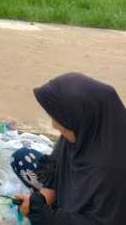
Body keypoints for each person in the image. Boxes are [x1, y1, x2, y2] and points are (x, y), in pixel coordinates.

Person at [13, 73, 126, 225]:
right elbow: (55, 170)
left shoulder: (113, 169)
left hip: (103, 216)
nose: (54, 125)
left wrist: (46, 216)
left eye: (60, 122)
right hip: (79, 195)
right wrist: (40, 200)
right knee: (22, 158)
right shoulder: (86, 131)